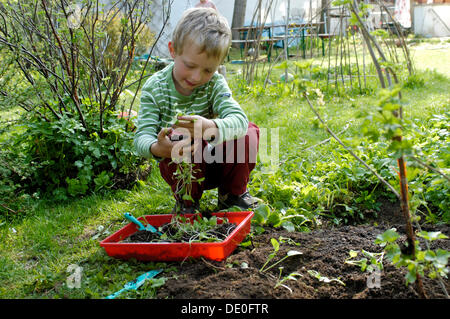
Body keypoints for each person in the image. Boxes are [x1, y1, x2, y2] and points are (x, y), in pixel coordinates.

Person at [134, 8, 260, 214]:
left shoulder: (215, 84)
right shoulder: (155, 88)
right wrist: (158, 148)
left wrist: (211, 127)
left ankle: (232, 196)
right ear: (173, 50)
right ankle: (187, 203)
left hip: (218, 162)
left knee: (248, 132)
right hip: (183, 166)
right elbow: (141, 138)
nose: (196, 77)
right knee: (179, 137)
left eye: (208, 70)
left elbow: (239, 120)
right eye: (190, 65)